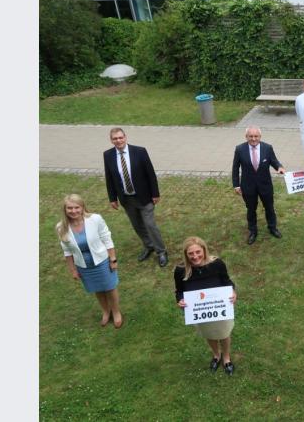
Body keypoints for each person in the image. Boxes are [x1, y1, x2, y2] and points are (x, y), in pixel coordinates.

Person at [103, 127, 168, 267]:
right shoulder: (108, 155)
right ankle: (148, 245)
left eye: (120, 137)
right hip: (127, 198)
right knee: (137, 225)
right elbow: (109, 178)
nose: (118, 140)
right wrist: (112, 198)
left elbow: (150, 173)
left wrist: (155, 193)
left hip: (144, 196)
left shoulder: (139, 151)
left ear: (125, 137)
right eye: (115, 138)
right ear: (111, 140)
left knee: (150, 225)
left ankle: (161, 251)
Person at [56, 194, 123, 328]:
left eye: (77, 207)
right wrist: (73, 270)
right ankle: (105, 311)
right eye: (70, 208)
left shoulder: (95, 219)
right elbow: (67, 251)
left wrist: (113, 259)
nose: (73, 211)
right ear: (65, 210)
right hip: (83, 265)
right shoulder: (61, 227)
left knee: (110, 287)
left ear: (82, 207)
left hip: (102, 261)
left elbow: (106, 238)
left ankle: (116, 312)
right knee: (97, 289)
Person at [174, 237, 238, 375]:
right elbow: (179, 291)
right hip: (200, 311)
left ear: (204, 250)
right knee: (209, 333)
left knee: (224, 334)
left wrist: (233, 291)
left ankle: (226, 357)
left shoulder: (217, 264)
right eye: (191, 253)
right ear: (186, 254)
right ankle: (216, 355)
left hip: (220, 308)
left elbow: (227, 281)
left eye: (198, 252)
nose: (195, 256)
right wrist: (180, 300)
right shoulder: (180, 270)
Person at [232, 126, 286, 245]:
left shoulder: (267, 148)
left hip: (265, 185)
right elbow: (235, 168)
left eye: (256, 136)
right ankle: (253, 231)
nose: (253, 139)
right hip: (248, 186)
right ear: (246, 137)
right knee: (251, 209)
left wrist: (280, 167)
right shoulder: (240, 149)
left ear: (260, 137)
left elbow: (274, 161)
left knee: (269, 208)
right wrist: (236, 185)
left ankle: (272, 228)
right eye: (250, 136)